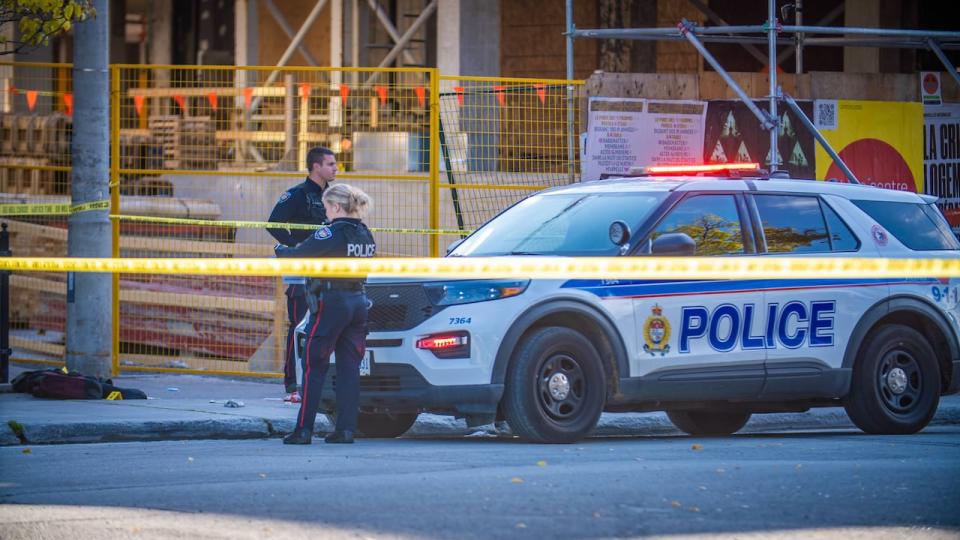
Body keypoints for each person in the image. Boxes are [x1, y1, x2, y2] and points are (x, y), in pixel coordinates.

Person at [276, 184, 376, 445]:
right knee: (349, 369)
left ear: (336, 206)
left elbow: (298, 255)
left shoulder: (330, 233)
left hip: (332, 303)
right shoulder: (365, 234)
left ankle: (303, 430)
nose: (326, 212)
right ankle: (345, 430)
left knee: (314, 365)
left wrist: (280, 250)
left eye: (326, 207)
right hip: (358, 302)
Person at [267, 147, 338, 402]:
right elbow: (273, 223)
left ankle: (318, 381)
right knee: (298, 324)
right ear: (316, 167)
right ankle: (293, 385)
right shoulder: (297, 194)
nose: (335, 168)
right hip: (302, 271)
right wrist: (294, 248)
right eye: (330, 164)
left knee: (325, 326)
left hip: (327, 270)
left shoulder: (332, 196)